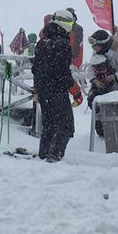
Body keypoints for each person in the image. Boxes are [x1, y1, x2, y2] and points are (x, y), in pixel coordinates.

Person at [32, 12, 79, 161]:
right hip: (57, 90)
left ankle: (44, 152)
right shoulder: (63, 45)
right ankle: (55, 155)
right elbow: (62, 73)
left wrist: (38, 89)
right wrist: (74, 90)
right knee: (66, 125)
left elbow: (36, 69)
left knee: (49, 123)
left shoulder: (42, 42)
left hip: (44, 90)